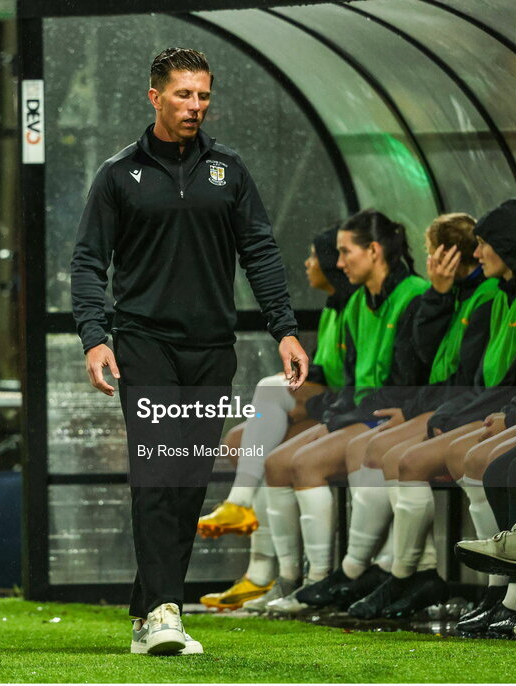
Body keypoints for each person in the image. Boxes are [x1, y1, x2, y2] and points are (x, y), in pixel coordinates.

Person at [70, 47, 307, 656]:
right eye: (183, 95)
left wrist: (284, 328)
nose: (195, 106)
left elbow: (259, 250)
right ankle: (163, 613)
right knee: (157, 474)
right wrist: (95, 338)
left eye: (203, 95)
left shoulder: (229, 170)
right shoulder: (119, 175)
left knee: (187, 482)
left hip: (211, 351)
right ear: (155, 97)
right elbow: (90, 261)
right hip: (145, 344)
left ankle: (149, 604)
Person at [297, 212, 499, 616]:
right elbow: (421, 357)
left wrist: (416, 409)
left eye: (344, 252)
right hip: (436, 404)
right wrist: (440, 296)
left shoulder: (478, 294)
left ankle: (386, 572)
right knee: (335, 453)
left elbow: (436, 370)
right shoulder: (445, 295)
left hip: (459, 407)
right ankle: (391, 572)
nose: (338, 263)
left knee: (379, 453)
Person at [258, 210, 428, 615]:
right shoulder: (357, 304)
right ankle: (292, 579)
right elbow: (350, 378)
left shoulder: (415, 294)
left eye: (345, 251)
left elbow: (410, 377)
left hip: (391, 414)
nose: (338, 263)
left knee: (307, 465)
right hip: (363, 412)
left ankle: (334, 576)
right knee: (278, 463)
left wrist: (340, 412)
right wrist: (338, 411)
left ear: (374, 250)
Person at [198, 226, 355, 611]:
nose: (308, 264)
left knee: (270, 390)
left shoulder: (357, 304)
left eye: (315, 256)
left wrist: (313, 403)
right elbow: (326, 370)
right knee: (239, 440)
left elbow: (351, 377)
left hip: (346, 411)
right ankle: (263, 574)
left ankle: (287, 573)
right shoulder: (337, 305)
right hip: (330, 405)